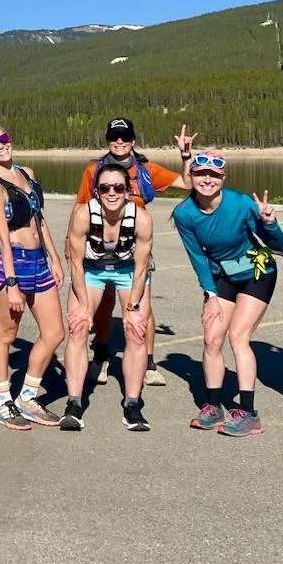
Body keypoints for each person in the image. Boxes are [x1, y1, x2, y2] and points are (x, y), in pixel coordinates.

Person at [73, 118, 194, 389]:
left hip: (134, 250)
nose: (120, 142)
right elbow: (80, 206)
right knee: (103, 306)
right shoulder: (94, 171)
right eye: (115, 137)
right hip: (97, 249)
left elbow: (187, 183)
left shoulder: (146, 169)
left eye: (125, 137)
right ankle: (102, 355)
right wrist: (72, 247)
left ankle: (148, 363)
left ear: (133, 141)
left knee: (143, 307)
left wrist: (185, 154)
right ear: (107, 141)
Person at [170, 152, 283, 436]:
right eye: (200, 174)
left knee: (238, 336)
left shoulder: (240, 203)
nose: (207, 179)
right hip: (223, 277)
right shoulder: (184, 214)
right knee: (211, 338)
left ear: (224, 178)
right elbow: (196, 256)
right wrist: (209, 293)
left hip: (257, 273)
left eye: (214, 175)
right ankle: (212, 406)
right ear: (191, 177)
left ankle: (248, 413)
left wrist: (269, 223)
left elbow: (277, 244)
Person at [0, 115, 67, 431]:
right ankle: (4, 402)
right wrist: (11, 283)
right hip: (14, 264)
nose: (1, 146)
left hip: (39, 261)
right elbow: (2, 237)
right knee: (5, 334)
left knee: (54, 332)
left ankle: (27, 395)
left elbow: (38, 220)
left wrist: (54, 257)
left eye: (4, 139)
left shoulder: (27, 173)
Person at [63, 161, 154, 430]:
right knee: (78, 327)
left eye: (118, 187)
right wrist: (81, 304)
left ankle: (132, 404)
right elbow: (75, 264)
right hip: (91, 271)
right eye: (105, 188)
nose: (112, 193)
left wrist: (134, 307)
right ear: (96, 192)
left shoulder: (141, 218)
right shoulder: (83, 215)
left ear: (128, 191)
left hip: (128, 271)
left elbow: (141, 268)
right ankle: (74, 403)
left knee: (136, 329)